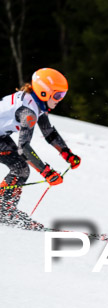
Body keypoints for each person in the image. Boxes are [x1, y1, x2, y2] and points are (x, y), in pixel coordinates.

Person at [0, 68, 80, 227]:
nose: (60, 99)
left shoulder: (35, 104)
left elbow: (48, 132)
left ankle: (4, 209)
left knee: (21, 168)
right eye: (58, 95)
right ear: (44, 93)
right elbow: (24, 149)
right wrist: (46, 172)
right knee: (21, 168)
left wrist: (67, 154)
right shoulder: (28, 112)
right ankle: (3, 211)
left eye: (62, 95)